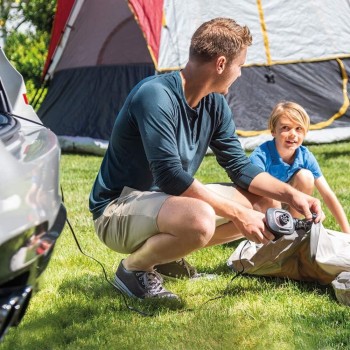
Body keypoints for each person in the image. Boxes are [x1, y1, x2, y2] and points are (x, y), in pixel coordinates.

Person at [89, 18, 324, 300]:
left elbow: (239, 166)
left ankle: (166, 254)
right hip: (117, 210)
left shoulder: (214, 103)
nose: (240, 74)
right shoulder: (155, 96)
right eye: (240, 66)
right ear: (222, 64)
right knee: (200, 219)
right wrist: (238, 214)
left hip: (166, 204)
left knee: (264, 204)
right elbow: (169, 175)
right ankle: (133, 268)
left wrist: (292, 195)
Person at [249, 101, 350, 233]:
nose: (293, 134)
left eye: (298, 128)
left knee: (306, 176)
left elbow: (327, 194)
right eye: (285, 127)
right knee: (269, 195)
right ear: (273, 131)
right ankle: (274, 229)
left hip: (290, 202)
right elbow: (253, 189)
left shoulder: (304, 156)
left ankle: (289, 226)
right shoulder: (261, 155)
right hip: (263, 205)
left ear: (305, 132)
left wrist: (347, 232)